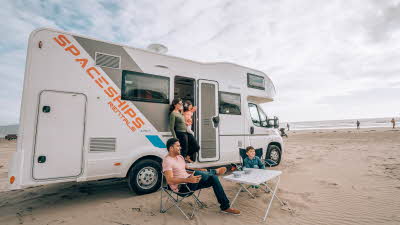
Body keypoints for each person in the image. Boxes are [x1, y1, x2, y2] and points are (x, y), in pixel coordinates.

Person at [162, 138, 240, 215]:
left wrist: (200, 169)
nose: (180, 148)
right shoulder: (167, 161)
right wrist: (189, 180)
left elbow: (187, 169)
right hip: (182, 188)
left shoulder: (180, 157)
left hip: (191, 181)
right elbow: (170, 180)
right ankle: (215, 171)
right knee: (200, 174)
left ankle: (225, 207)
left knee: (213, 178)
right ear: (171, 148)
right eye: (178, 146)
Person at [169, 98, 192, 163]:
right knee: (183, 149)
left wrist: (188, 121)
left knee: (185, 148)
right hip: (180, 133)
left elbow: (183, 121)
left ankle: (181, 162)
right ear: (175, 104)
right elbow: (171, 127)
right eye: (180, 104)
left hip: (185, 132)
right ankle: (180, 163)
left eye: (182, 103)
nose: (181, 105)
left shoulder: (179, 112)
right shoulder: (173, 114)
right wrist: (175, 138)